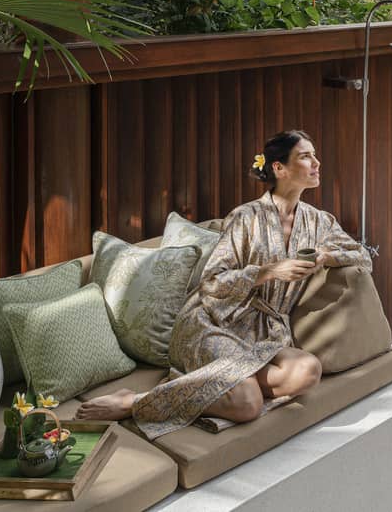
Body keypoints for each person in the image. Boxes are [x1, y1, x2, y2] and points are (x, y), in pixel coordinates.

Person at [77, 129, 372, 437]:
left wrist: (325, 254)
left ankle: (213, 384)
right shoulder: (245, 217)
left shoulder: (319, 222)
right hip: (214, 321)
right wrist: (269, 271)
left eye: (315, 154)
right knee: (247, 404)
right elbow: (212, 284)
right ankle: (135, 402)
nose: (317, 162)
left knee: (308, 370)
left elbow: (362, 255)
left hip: (262, 330)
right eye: (305, 156)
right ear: (279, 169)